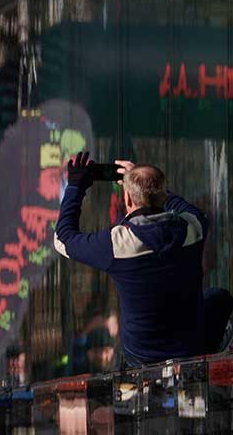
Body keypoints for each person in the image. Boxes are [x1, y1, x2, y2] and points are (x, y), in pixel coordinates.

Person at [54, 154, 231, 363]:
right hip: (193, 345)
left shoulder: (117, 245)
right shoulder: (193, 228)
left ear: (128, 199)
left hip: (141, 355)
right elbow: (190, 211)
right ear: (162, 195)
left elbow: (62, 240)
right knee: (219, 297)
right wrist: (150, 187)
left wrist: (75, 187)